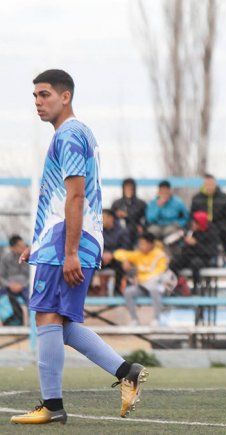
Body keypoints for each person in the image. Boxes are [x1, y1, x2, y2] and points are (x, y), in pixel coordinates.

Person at [11, 70, 146, 425]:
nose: (38, 102)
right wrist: (38, 245)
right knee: (62, 322)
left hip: (68, 241)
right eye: (35, 96)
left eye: (45, 95)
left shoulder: (69, 134)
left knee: (46, 317)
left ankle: (51, 406)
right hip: (64, 240)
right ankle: (125, 370)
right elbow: (61, 199)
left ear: (65, 96)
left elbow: (75, 194)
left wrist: (68, 252)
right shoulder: (78, 133)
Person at [115, 233, 173, 326]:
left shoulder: (160, 255)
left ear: (150, 244)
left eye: (143, 244)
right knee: (128, 292)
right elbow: (118, 253)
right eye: (140, 244)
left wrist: (141, 278)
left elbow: (159, 273)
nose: (140, 246)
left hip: (157, 285)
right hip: (143, 286)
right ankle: (134, 320)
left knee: (155, 290)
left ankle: (156, 319)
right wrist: (125, 260)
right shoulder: (138, 254)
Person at [169, 211, 219, 292]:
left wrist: (196, 244)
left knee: (195, 263)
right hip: (189, 256)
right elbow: (184, 249)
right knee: (173, 262)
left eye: (195, 223)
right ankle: (178, 284)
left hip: (203, 259)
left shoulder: (211, 234)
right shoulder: (191, 232)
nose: (192, 224)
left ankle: (196, 287)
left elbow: (210, 252)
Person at [190, 174, 226, 252]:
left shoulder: (225, 198)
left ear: (215, 184)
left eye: (211, 184)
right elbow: (192, 216)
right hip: (202, 229)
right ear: (203, 185)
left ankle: (223, 254)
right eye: (207, 184)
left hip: (220, 229)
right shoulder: (196, 198)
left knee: (219, 235)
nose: (209, 187)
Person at [0, 235, 30, 326]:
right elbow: (1, 276)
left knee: (33, 299)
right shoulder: (5, 259)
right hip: (8, 288)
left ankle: (29, 324)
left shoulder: (29, 258)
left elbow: (31, 276)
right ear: (12, 248)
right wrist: (10, 285)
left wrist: (22, 285)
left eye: (23, 245)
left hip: (25, 288)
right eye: (19, 246)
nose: (23, 248)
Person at [100, 209, 131, 294]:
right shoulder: (98, 230)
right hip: (101, 258)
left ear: (111, 218)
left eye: (103, 217)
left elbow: (125, 248)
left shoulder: (122, 231)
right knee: (87, 262)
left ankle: (117, 292)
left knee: (121, 265)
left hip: (115, 258)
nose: (101, 219)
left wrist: (112, 254)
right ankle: (89, 291)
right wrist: (103, 254)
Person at [111, 178, 147, 246]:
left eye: (131, 188)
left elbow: (145, 219)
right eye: (126, 188)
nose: (128, 190)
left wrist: (127, 216)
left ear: (134, 189)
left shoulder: (141, 204)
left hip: (135, 229)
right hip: (117, 230)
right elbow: (111, 217)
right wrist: (116, 215)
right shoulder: (116, 203)